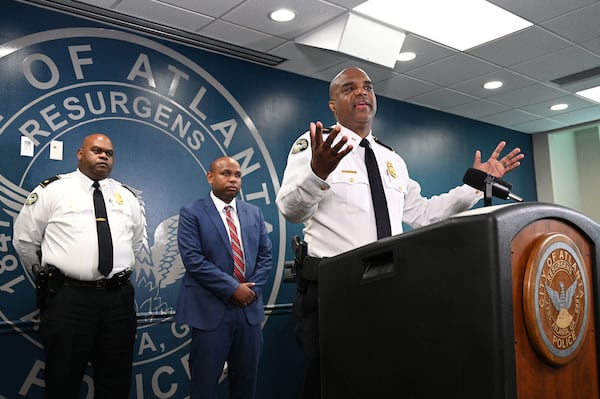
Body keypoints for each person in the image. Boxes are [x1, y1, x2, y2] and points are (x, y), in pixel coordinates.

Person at [275, 67, 525, 399]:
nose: (362, 93)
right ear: (332, 105)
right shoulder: (314, 146)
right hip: (333, 289)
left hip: (388, 286)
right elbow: (292, 210)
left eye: (367, 87)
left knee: (385, 375)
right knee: (329, 382)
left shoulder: (392, 159)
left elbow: (422, 214)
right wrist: (317, 173)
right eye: (349, 89)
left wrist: (476, 185)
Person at [13, 133, 146, 399]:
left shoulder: (126, 196)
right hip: (69, 299)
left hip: (118, 301)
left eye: (109, 153)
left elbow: (136, 243)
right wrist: (49, 278)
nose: (103, 157)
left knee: (116, 382)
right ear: (80, 153)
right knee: (62, 382)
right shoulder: (52, 190)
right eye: (96, 150)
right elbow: (25, 242)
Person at [176, 156, 273, 399]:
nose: (232, 179)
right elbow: (193, 260)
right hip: (211, 313)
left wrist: (251, 291)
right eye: (226, 174)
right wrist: (233, 289)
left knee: (245, 385)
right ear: (210, 177)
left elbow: (266, 256)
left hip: (249, 312)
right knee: (204, 387)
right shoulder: (192, 212)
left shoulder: (254, 213)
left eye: (237, 175)